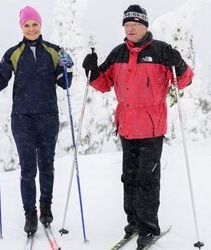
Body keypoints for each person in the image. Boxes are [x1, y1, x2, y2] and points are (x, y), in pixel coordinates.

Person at [82, 4, 194, 250]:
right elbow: (103, 84)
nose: (130, 28)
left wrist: (181, 64)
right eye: (127, 25)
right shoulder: (118, 53)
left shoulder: (162, 51)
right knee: (129, 178)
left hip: (152, 129)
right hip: (127, 128)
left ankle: (148, 228)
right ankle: (133, 223)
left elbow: (183, 80)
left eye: (135, 24)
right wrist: (91, 71)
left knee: (147, 180)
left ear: (145, 26)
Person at [0, 6, 73, 236]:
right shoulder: (13, 53)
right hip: (22, 118)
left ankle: (46, 207)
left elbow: (64, 83)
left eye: (35, 24)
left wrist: (68, 67)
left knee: (47, 164)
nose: (31, 28)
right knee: (27, 168)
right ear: (21, 27)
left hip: (48, 116)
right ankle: (29, 214)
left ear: (40, 25)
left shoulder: (53, 51)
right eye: (27, 25)